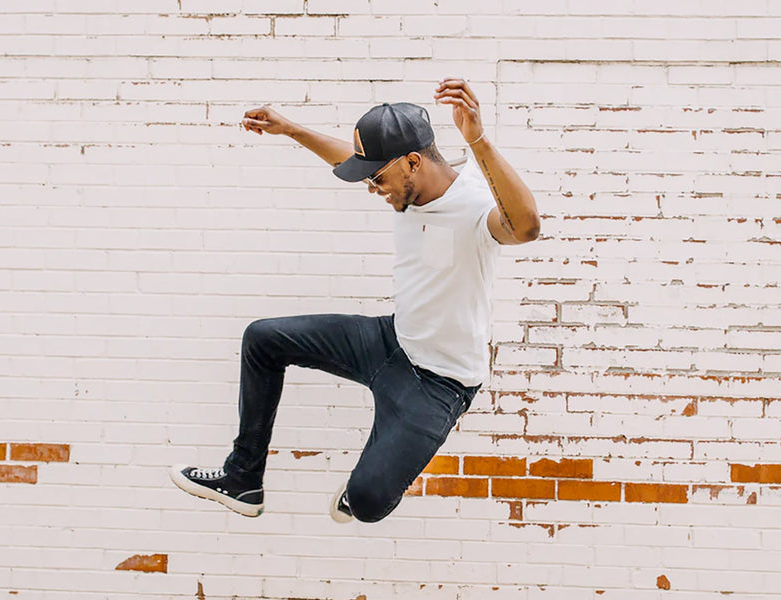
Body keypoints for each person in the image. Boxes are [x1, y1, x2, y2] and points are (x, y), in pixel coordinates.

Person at [169, 78, 540, 523]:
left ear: (414, 163)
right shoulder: (403, 183)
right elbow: (346, 156)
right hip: (391, 339)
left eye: (378, 177)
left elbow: (526, 228)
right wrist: (291, 129)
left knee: (367, 503)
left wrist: (477, 138)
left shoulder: (476, 204)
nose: (371, 188)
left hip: (440, 381)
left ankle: (369, 478)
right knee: (263, 339)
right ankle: (242, 478)